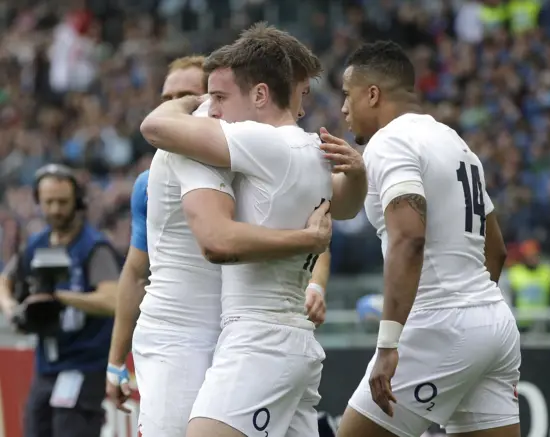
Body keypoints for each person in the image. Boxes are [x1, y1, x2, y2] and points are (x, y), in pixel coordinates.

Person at [139, 32, 360, 437]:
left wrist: (312, 251)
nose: (214, 110)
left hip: (255, 334)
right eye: (210, 99)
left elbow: (220, 241)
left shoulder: (258, 144)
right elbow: (339, 210)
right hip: (198, 332)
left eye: (219, 97)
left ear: (258, 93)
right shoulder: (305, 148)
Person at [333, 41, 519, 437]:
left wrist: (388, 344)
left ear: (373, 94)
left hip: (439, 325)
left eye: (347, 96)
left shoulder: (390, 142)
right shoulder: (455, 143)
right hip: (495, 325)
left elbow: (409, 239)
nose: (344, 110)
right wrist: (474, 319)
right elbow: (497, 250)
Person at [105, 56, 209, 413]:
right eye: (167, 99)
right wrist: (116, 361)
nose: (174, 108)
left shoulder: (248, 167)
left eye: (187, 96)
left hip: (239, 340)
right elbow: (135, 272)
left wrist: (315, 287)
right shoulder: (148, 186)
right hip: (175, 343)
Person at [0, 164, 121, 437]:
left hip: (84, 366)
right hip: (46, 367)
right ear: (38, 202)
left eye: (62, 202)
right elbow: (4, 280)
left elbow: (113, 299)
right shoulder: (36, 244)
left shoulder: (94, 247)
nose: (55, 209)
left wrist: (59, 298)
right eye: (48, 202)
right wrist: (12, 309)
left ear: (77, 201)